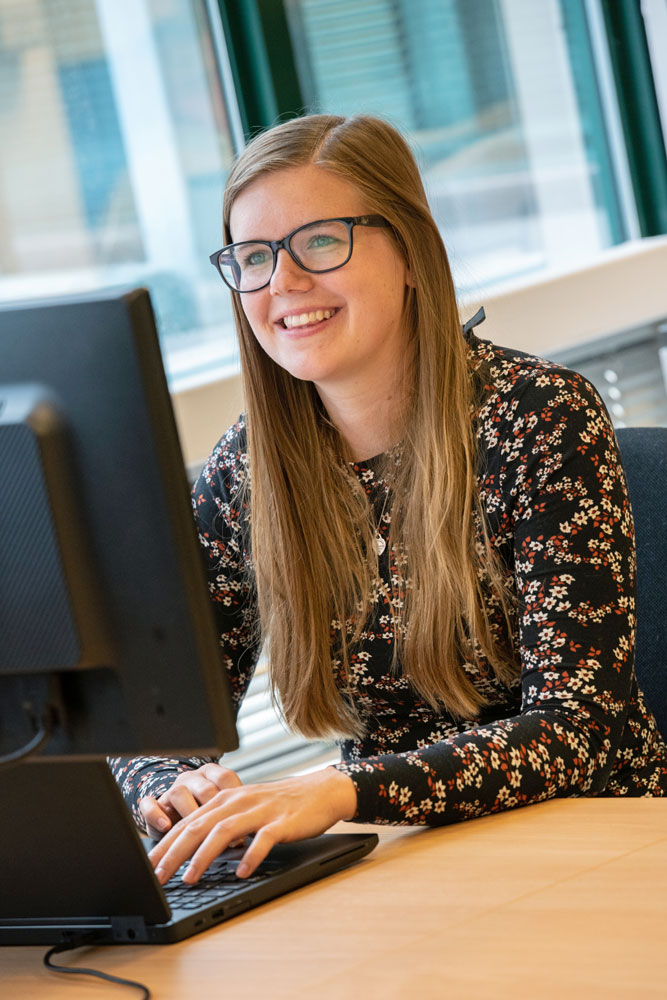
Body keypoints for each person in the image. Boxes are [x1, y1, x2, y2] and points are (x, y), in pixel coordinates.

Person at [110, 113, 667, 887]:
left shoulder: (537, 418)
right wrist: (171, 785)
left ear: (409, 251)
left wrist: (339, 791)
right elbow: (149, 718)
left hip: (596, 846)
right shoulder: (250, 469)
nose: (285, 282)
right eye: (254, 257)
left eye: (320, 241)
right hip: (406, 863)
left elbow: (581, 729)